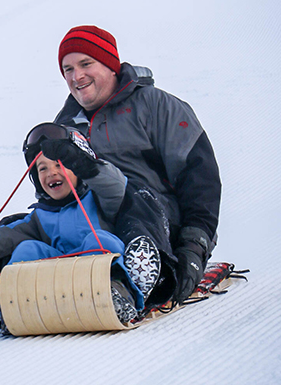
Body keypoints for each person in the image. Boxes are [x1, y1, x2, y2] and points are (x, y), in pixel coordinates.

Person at [0, 123, 158, 331]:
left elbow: (115, 183)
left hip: (97, 279)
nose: (51, 173)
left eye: (60, 165)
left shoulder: (101, 199)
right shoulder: (39, 217)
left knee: (99, 239)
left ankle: (119, 294)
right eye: (42, 169)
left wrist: (83, 164)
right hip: (58, 281)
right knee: (26, 249)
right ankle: (8, 305)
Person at [52, 25, 222, 307]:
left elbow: (200, 179)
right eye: (67, 69)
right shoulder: (65, 124)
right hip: (95, 228)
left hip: (158, 224)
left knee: (135, 200)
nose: (76, 76)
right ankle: (11, 290)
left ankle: (131, 282)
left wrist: (194, 247)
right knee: (30, 224)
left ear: (110, 65)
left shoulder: (156, 106)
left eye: (85, 64)